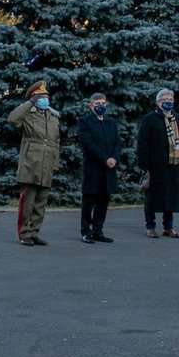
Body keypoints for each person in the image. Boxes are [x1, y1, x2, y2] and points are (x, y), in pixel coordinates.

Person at [9, 80, 60, 246]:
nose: (45, 99)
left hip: (47, 165)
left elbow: (56, 142)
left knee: (41, 203)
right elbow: (12, 119)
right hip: (31, 164)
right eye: (40, 96)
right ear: (34, 98)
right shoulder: (27, 115)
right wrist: (29, 103)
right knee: (28, 202)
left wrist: (55, 163)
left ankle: (35, 232)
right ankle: (24, 233)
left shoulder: (53, 117)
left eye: (46, 96)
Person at [136, 88, 179, 239]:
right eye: (165, 99)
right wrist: (144, 166)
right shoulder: (150, 119)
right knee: (152, 197)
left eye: (171, 99)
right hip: (155, 166)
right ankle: (150, 226)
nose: (168, 102)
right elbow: (142, 144)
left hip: (174, 165)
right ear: (158, 102)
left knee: (171, 197)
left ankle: (168, 227)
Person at [77, 92, 119, 244]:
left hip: (109, 169)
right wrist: (105, 159)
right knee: (89, 201)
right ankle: (86, 231)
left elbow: (117, 143)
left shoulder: (111, 122)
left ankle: (98, 231)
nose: (101, 106)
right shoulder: (85, 122)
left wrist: (114, 158)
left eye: (103, 103)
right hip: (93, 168)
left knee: (103, 201)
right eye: (97, 104)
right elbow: (88, 144)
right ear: (91, 106)